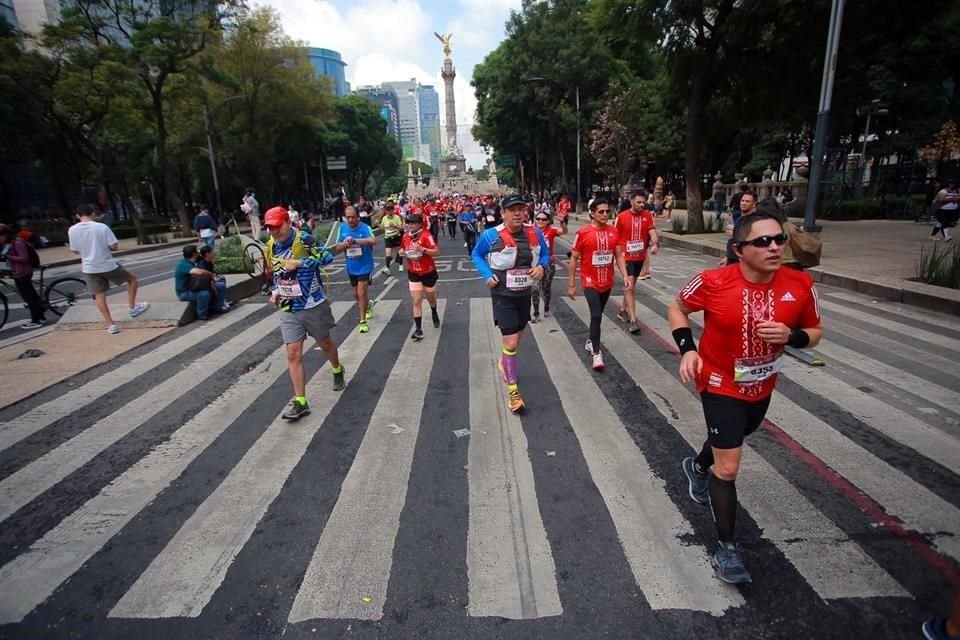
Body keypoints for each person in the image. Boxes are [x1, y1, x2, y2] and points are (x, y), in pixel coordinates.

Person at [670, 211, 823, 585]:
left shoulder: (800, 284)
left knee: (736, 436)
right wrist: (688, 348)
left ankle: (697, 465)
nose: (774, 247)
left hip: (762, 385)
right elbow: (679, 307)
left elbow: (815, 331)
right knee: (730, 467)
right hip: (719, 381)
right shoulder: (713, 281)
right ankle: (727, 548)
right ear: (739, 250)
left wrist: (792, 337)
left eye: (779, 239)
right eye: (763, 241)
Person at [263, 206, 344, 420]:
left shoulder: (305, 239)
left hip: (312, 303)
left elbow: (327, 256)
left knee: (325, 344)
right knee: (293, 353)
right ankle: (300, 401)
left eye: (277, 226)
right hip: (289, 307)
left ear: (288, 223)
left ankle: (337, 369)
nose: (274, 232)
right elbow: (276, 274)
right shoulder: (270, 246)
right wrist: (276, 292)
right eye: (270, 228)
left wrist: (301, 262)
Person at [471, 193, 550, 412]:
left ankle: (504, 362)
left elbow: (545, 254)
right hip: (502, 294)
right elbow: (476, 255)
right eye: (512, 210)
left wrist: (541, 267)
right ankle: (513, 393)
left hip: (524, 294)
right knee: (511, 343)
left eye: (521, 209)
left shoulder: (535, 233)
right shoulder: (490, 236)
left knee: (517, 338)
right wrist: (487, 274)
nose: (517, 213)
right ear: (503, 213)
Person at [568, 198, 631, 371]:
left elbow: (618, 255)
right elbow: (574, 258)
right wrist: (572, 283)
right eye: (601, 212)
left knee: (599, 314)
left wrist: (625, 275)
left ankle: (591, 341)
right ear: (593, 214)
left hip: (607, 281)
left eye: (607, 211)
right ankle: (596, 353)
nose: (604, 214)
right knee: (596, 315)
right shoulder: (582, 233)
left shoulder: (614, 232)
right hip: (590, 281)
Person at [68, 204, 149, 334]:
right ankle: (133, 307)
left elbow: (75, 251)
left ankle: (111, 325)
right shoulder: (101, 227)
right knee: (132, 279)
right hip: (106, 264)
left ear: (77, 215)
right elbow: (114, 246)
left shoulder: (72, 230)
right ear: (93, 213)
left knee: (99, 295)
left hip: (89, 267)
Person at [615, 191, 660, 333]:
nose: (642, 204)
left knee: (631, 285)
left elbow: (652, 232)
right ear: (632, 201)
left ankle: (622, 310)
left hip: (639, 257)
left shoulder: (647, 216)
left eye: (643, 202)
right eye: (639, 202)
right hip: (625, 257)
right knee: (630, 287)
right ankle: (633, 320)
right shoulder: (621, 217)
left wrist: (655, 244)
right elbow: (614, 236)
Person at [332, 205, 377, 333]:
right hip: (352, 267)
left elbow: (373, 241)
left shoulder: (365, 227)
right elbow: (337, 247)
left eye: (353, 217)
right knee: (356, 294)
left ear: (358, 217)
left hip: (365, 265)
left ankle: (362, 321)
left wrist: (356, 240)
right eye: (348, 217)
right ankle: (368, 305)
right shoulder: (343, 228)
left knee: (362, 292)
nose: (350, 220)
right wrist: (345, 243)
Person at [400, 212, 441, 341]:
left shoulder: (426, 236)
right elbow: (402, 249)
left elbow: (437, 252)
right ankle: (418, 330)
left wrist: (422, 249)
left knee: (430, 297)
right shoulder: (406, 237)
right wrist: (402, 252)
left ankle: (434, 312)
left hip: (428, 272)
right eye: (408, 223)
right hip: (413, 272)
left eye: (413, 223)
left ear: (419, 224)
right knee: (416, 300)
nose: (410, 225)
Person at [0, 224, 46, 329]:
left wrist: (8, 257)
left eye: (0, 236)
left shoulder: (18, 242)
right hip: (17, 272)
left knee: (28, 297)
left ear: (6, 235)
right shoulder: (8, 244)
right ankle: (40, 315)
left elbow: (23, 258)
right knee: (32, 296)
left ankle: (36, 320)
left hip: (23, 272)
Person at [531, 210, 567, 321]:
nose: (540, 221)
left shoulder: (551, 231)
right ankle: (536, 312)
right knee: (535, 289)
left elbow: (564, 231)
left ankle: (546, 307)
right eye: (538, 219)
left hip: (548, 265)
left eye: (544, 219)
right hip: (534, 265)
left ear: (548, 221)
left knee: (546, 288)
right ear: (535, 220)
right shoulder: (530, 231)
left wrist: (562, 222)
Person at [174, 246, 226, 319]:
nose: (198, 254)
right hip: (184, 292)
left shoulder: (193, 262)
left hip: (194, 287)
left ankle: (217, 307)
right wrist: (211, 274)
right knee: (204, 294)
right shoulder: (183, 264)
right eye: (197, 252)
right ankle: (202, 314)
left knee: (220, 286)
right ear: (193, 254)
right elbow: (199, 272)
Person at [718, 192, 757, 267]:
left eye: (747, 201)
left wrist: (737, 232)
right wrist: (727, 257)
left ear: (754, 204)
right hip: (732, 258)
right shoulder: (740, 218)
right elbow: (732, 239)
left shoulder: (755, 221)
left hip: (743, 260)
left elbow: (754, 240)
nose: (744, 203)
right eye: (742, 201)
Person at [196, 245, 230, 312]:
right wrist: (213, 285)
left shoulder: (209, 262)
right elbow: (205, 277)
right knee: (221, 285)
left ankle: (223, 301)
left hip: (211, 280)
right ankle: (219, 306)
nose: (213, 253)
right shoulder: (202, 264)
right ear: (207, 254)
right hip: (205, 283)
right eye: (212, 252)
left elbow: (213, 273)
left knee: (222, 278)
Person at [379, 200, 405, 275]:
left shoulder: (397, 217)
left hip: (396, 237)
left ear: (393, 210)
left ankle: (400, 264)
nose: (389, 211)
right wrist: (378, 224)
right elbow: (382, 228)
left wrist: (395, 226)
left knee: (399, 252)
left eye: (391, 210)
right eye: (387, 210)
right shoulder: (384, 218)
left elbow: (401, 228)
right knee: (388, 254)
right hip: (388, 238)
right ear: (386, 211)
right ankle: (387, 268)